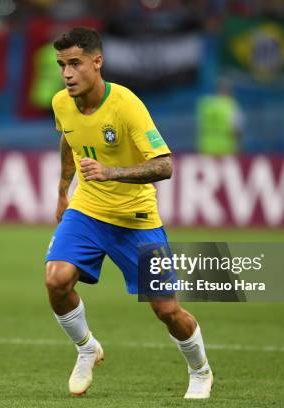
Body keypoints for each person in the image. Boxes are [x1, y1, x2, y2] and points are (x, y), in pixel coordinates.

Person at [45, 27, 213, 399]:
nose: (67, 73)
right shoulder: (61, 103)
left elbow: (165, 166)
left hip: (136, 220)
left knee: (167, 311)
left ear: (97, 62)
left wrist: (111, 172)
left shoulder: (126, 105)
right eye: (61, 65)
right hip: (88, 211)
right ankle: (87, 348)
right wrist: (62, 191)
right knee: (56, 280)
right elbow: (67, 138)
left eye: (75, 63)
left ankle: (200, 370)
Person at [196, 80, 244, 156]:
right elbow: (236, 131)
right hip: (226, 150)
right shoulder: (231, 105)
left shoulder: (206, 105)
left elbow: (200, 126)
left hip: (206, 149)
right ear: (229, 91)